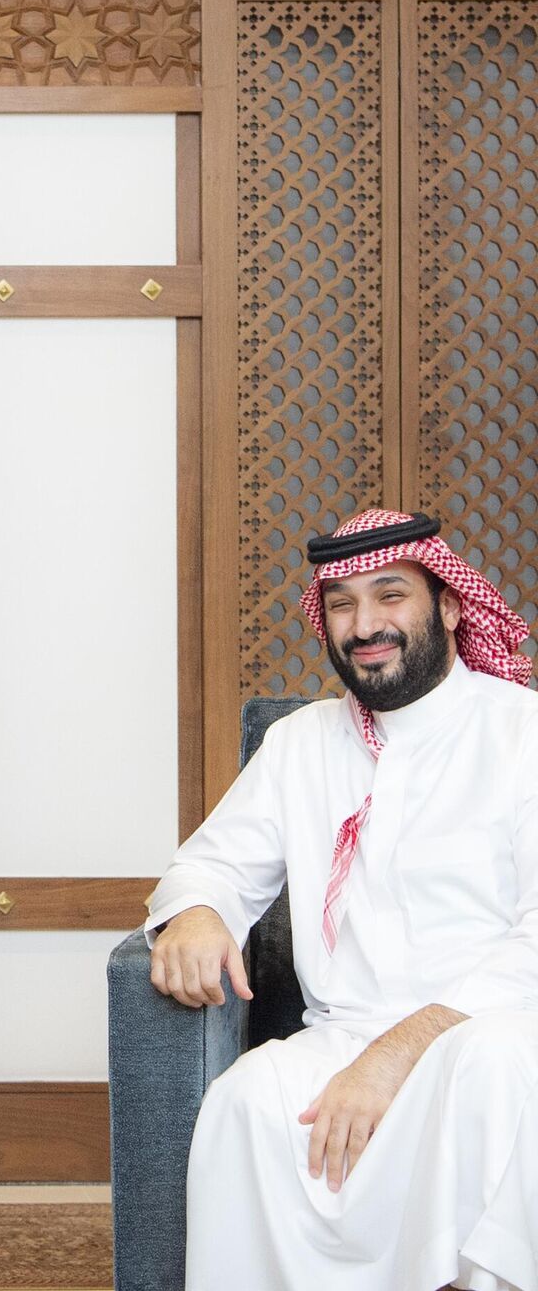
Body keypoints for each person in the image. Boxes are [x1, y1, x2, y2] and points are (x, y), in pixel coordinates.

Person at [147, 508, 538, 1291]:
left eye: (390, 595)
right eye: (342, 604)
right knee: (248, 1101)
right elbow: (212, 863)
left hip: (489, 1026)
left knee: (497, 1070)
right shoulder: (301, 742)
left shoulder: (521, 735)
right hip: (344, 1034)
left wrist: (396, 1055)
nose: (364, 626)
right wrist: (197, 912)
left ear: (450, 605)